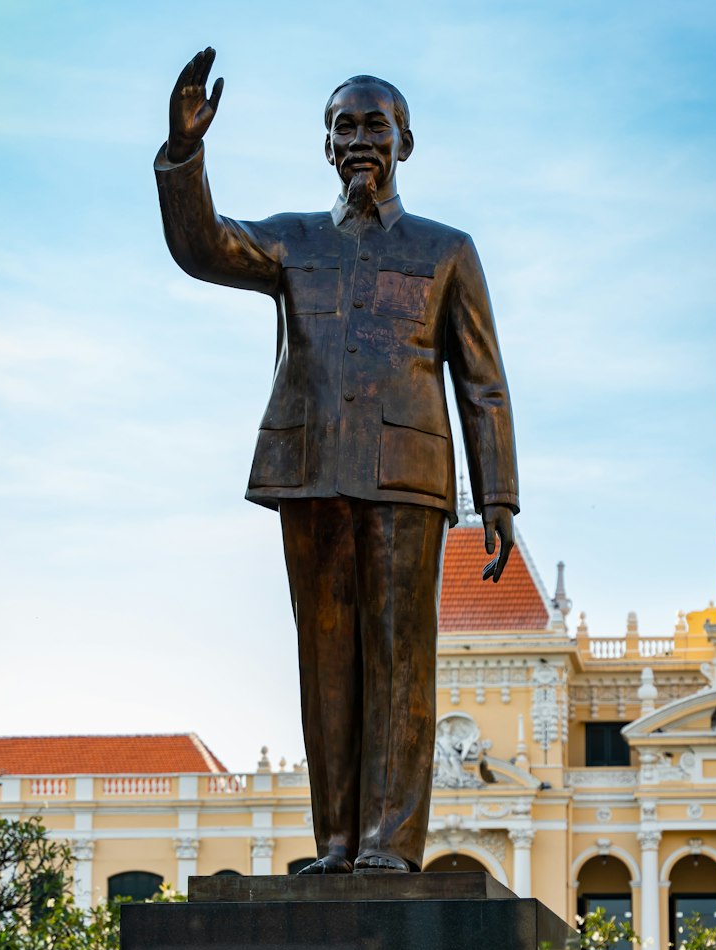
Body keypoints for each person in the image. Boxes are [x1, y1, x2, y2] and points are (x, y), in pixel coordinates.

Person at [155, 49, 518, 874]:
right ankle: (337, 843)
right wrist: (185, 155)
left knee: (398, 656)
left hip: (408, 477)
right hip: (311, 472)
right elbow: (202, 246)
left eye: (375, 125)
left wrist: (498, 494)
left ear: (405, 143)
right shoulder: (293, 242)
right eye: (343, 126)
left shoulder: (447, 249)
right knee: (325, 661)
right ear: (326, 146)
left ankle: (391, 844)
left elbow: (484, 381)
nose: (359, 140)